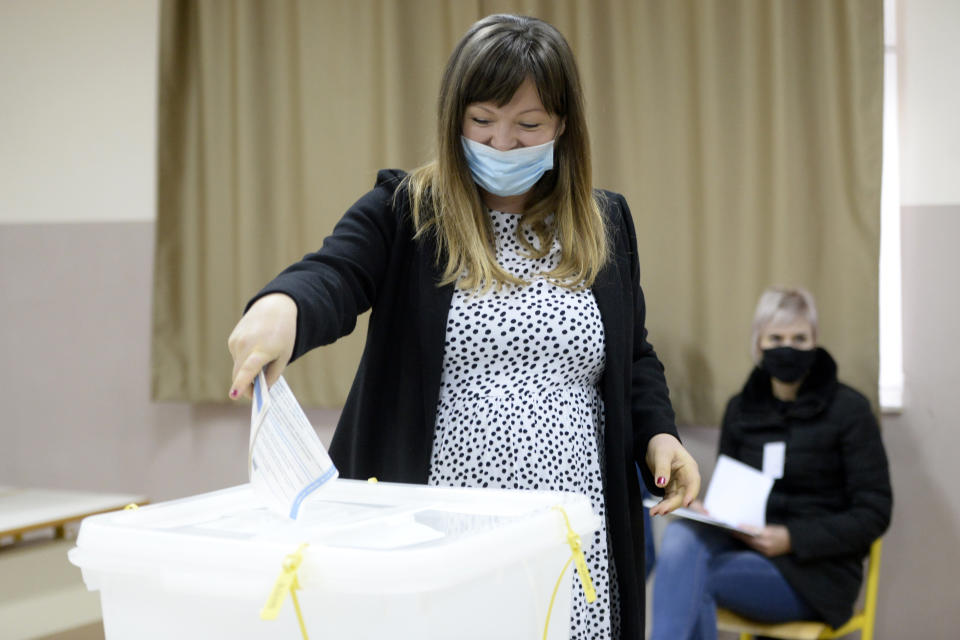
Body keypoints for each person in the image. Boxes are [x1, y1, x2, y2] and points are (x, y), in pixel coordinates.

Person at [227, 14, 700, 640]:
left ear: (562, 126)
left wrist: (659, 433)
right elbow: (334, 273)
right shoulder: (408, 212)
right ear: (455, 120)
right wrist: (282, 306)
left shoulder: (604, 222)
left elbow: (633, 354)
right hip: (441, 528)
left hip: (570, 524)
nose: (502, 144)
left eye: (528, 125)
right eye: (482, 121)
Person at [649, 286, 892, 640]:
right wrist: (710, 511)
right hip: (746, 548)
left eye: (799, 338)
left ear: (815, 342)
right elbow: (731, 492)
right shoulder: (740, 409)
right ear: (758, 343)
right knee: (682, 537)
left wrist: (793, 538)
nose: (787, 348)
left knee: (692, 578)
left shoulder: (849, 411)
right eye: (776, 337)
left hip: (816, 572)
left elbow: (875, 511)